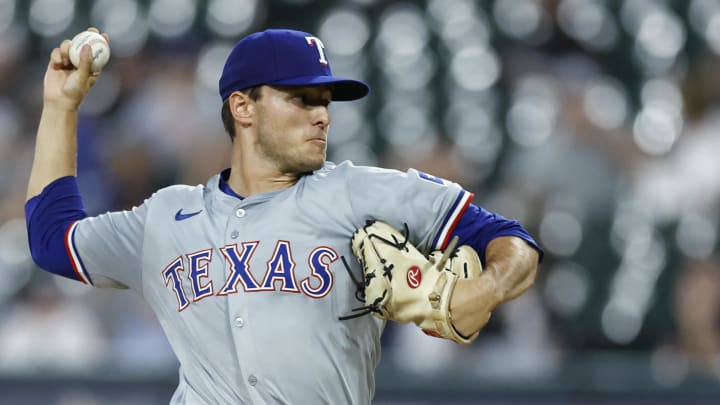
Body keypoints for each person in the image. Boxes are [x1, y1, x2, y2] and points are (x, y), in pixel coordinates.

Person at [25, 27, 542, 404]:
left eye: (325, 100)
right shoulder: (166, 217)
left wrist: (487, 288)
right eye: (300, 98)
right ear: (244, 107)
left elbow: (507, 236)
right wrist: (60, 108)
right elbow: (53, 239)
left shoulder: (360, 193)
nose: (322, 113)